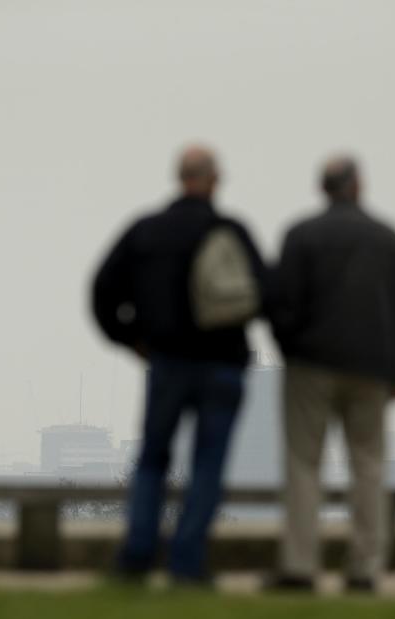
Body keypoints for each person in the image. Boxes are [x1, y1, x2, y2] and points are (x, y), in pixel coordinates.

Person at [91, 145, 265, 584]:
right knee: (209, 463)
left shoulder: (146, 232)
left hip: (166, 363)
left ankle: (136, 556)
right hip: (222, 366)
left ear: (178, 177)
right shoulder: (231, 232)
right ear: (214, 180)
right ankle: (187, 563)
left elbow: (102, 291)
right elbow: (263, 292)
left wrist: (131, 339)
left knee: (153, 459)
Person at [269, 155, 395, 593]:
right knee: (369, 467)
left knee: (302, 465)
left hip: (310, 366)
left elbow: (281, 302)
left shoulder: (300, 236)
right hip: (372, 369)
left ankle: (299, 566)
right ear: (359, 186)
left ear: (323, 188)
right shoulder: (389, 240)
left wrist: (290, 348)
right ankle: (365, 568)